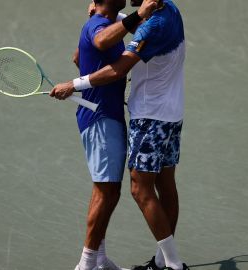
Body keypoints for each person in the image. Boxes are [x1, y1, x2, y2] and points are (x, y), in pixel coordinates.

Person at [51, 0, 188, 269]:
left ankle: (172, 264)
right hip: (172, 115)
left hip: (149, 117)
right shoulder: (169, 9)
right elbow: (102, 39)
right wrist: (113, 15)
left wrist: (74, 84)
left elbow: (119, 69)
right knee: (160, 184)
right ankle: (102, 261)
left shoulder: (152, 26)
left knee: (138, 189)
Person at [67, 0, 130, 269]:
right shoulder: (98, 25)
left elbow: (78, 58)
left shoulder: (103, 21)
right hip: (100, 116)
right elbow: (102, 42)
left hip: (106, 114)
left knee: (108, 190)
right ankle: (86, 263)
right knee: (106, 191)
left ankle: (99, 259)